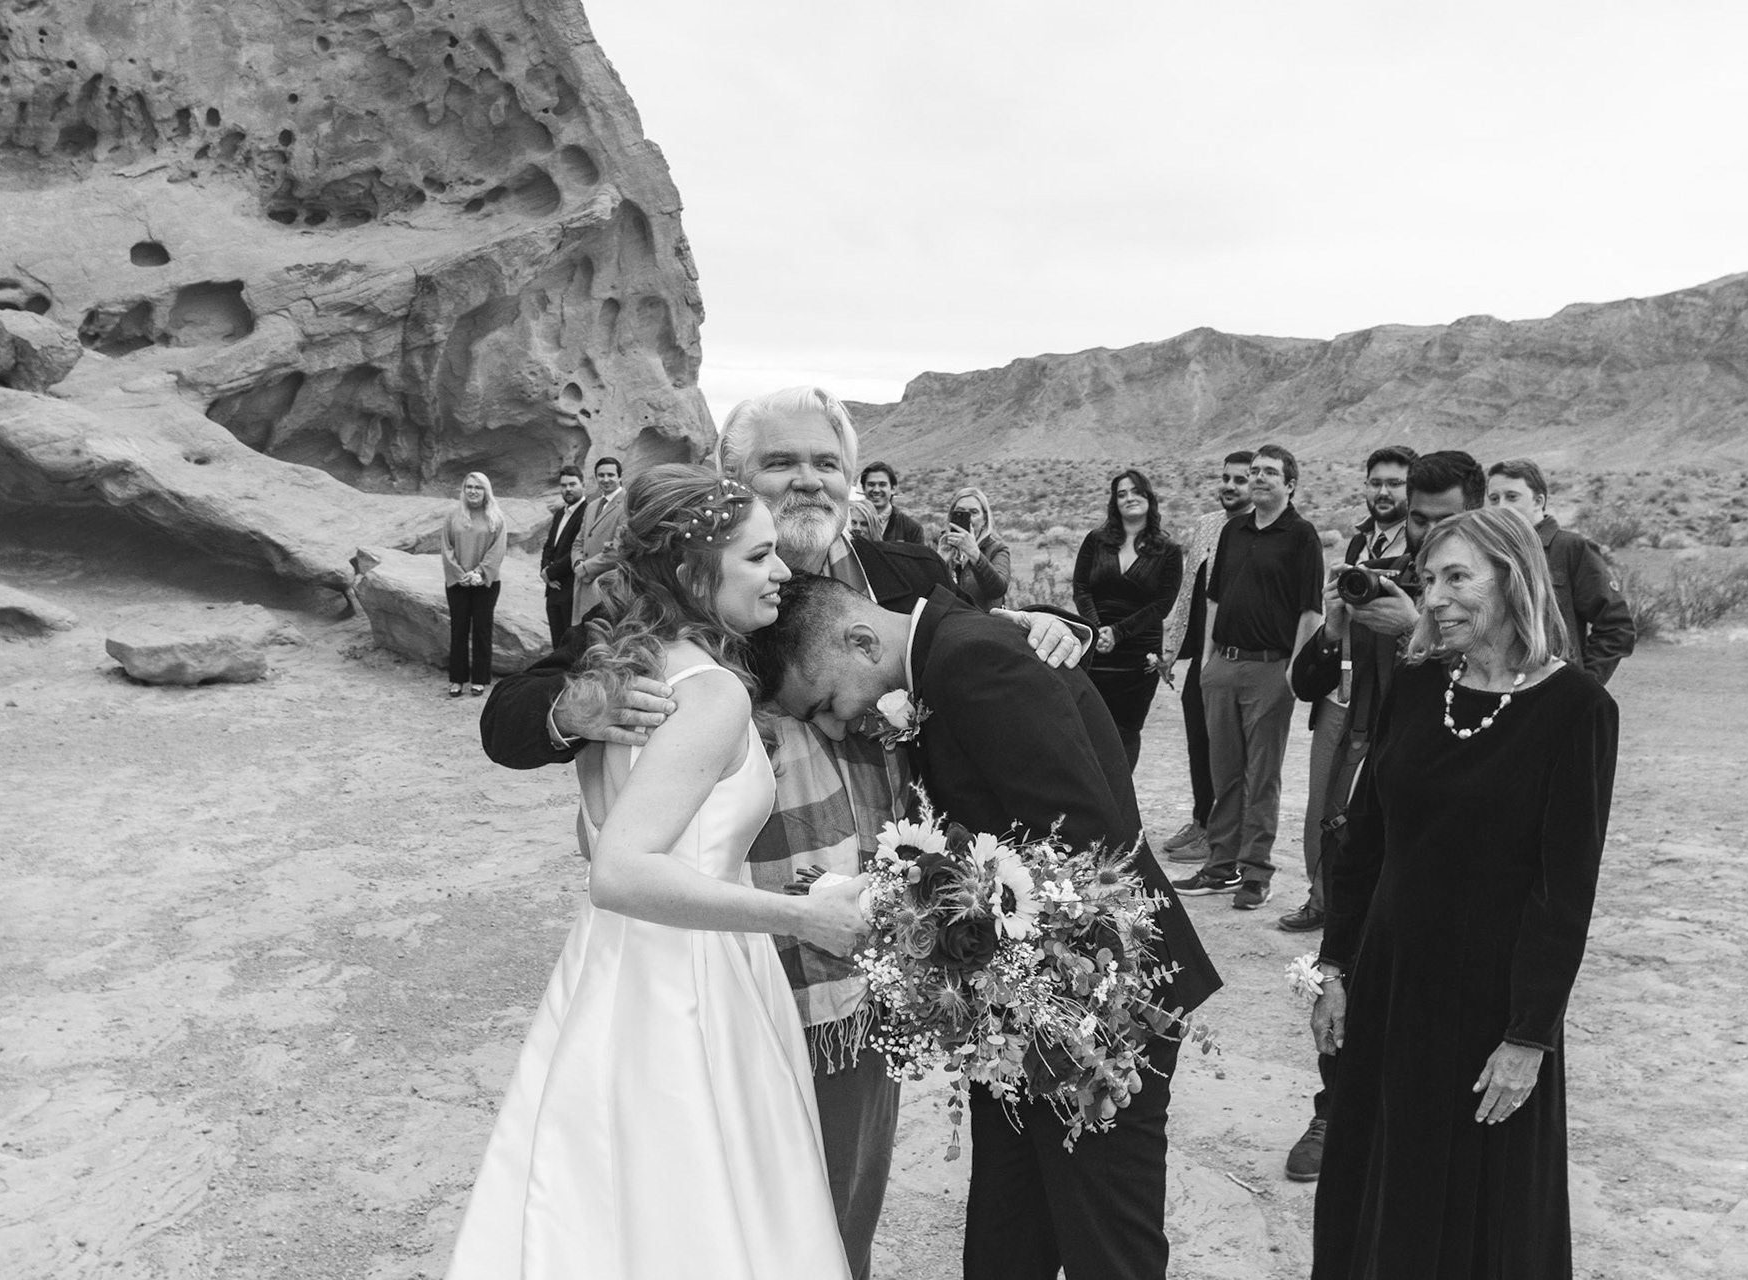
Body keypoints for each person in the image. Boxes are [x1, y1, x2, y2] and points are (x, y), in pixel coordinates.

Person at [477, 386, 1086, 1280]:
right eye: (781, 462)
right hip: (731, 946)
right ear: (734, 482)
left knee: (831, 1207)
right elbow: (510, 719)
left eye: (826, 462)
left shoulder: (902, 574)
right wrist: (574, 709)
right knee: (713, 1206)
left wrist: (1047, 627)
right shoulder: (690, 608)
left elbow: (972, 650)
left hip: (862, 961)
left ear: (852, 478)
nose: (809, 480)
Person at [445, 465, 865, 1279]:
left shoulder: (621, 669)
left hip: (613, 964)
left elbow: (594, 835)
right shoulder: (709, 692)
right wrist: (803, 916)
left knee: (610, 1205)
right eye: (758, 556)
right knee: (699, 1206)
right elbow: (618, 870)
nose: (781, 571)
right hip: (691, 979)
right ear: (693, 572)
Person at [754, 573, 1221, 1280]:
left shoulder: (970, 658)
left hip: (1095, 997)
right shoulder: (952, 650)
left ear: (861, 641)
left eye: (824, 704)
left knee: (1108, 1241)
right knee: (1010, 1223)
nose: (835, 725)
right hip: (1024, 1004)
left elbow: (1087, 843)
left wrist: (1088, 1025)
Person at [1309, 505, 1618, 1278]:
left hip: (1489, 1004)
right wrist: (1334, 968)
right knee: (1378, 1181)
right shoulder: (1418, 686)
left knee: (1478, 1207)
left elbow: (1564, 891)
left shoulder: (1577, 708)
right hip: (1389, 982)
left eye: (1456, 577)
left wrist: (1529, 1037)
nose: (1436, 598)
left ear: (1513, 580)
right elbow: (1364, 840)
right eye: (1428, 580)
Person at [1279, 447, 1482, 1183]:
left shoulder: (1474, 605)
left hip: (1446, 808)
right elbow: (1307, 683)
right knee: (1347, 946)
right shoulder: (1384, 583)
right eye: (1420, 522)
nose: (1430, 537)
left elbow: (1498, 690)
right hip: (1366, 786)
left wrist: (1414, 627)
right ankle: (1333, 1110)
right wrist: (1338, 626)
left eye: (1445, 520)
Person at [1175, 445, 1323, 911]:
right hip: (1223, 666)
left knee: (1262, 777)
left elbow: (1311, 611)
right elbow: (1214, 599)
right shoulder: (1233, 531)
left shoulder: (1301, 536)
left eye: (1269, 472)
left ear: (1290, 484)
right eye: (1254, 471)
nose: (1258, 478)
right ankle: (1221, 867)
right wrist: (1207, 663)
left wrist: (1293, 672)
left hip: (1270, 669)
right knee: (1224, 773)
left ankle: (1256, 873)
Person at [1284, 446, 1415, 936]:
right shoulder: (1358, 543)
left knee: (1369, 812)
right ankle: (1321, 899)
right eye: (1375, 482)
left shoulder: (1422, 551)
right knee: (1323, 805)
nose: (1383, 492)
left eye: (1395, 484)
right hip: (1339, 694)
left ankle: (1364, 911)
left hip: (1385, 699)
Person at [1158, 452, 1253, 860]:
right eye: (1226, 478)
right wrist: (1171, 648)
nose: (1230, 486)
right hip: (1203, 654)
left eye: (1241, 479)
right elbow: (1189, 592)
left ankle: (1222, 832)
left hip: (1238, 654)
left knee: (1228, 749)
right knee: (1199, 741)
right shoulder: (1206, 524)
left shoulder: (1261, 530)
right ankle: (1202, 820)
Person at [1071, 469, 1184, 770]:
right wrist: (1097, 630)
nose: (1129, 498)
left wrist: (1119, 632)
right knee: (1088, 725)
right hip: (1096, 650)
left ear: (1148, 497)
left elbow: (1163, 604)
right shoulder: (1096, 541)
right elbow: (1081, 588)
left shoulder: (1168, 550)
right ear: (1114, 502)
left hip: (1138, 655)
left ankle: (1120, 794)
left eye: (1135, 491)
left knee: (1127, 729)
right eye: (1121, 494)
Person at [1485, 459, 1635, 684]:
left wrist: (1584, 685)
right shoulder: (1487, 554)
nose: (1501, 507)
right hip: (1496, 688)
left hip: (1554, 692)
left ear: (1538, 501)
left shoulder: (1572, 549)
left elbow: (1616, 626)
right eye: (1494, 499)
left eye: (1512, 497)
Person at [441, 472, 508, 698]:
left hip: (486, 583)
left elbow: (498, 549)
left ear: (486, 491)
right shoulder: (453, 516)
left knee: (482, 630)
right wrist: (460, 574)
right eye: (469, 487)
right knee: (458, 629)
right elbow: (446, 548)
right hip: (457, 582)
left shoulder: (496, 517)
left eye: (478, 487)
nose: (473, 491)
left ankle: (479, 679)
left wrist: (480, 572)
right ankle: (457, 679)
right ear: (463, 490)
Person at [571, 456, 627, 625]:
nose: (605, 479)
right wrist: (578, 563)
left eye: (610, 475)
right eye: (601, 475)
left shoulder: (627, 505)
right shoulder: (592, 506)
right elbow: (578, 542)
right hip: (583, 584)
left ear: (620, 477)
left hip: (606, 588)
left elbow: (619, 550)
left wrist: (586, 568)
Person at [935, 486, 1011, 609]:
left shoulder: (997, 549)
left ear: (984, 519)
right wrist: (939, 561)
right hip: (949, 619)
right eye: (960, 512)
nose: (968, 518)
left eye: (974, 512)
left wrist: (975, 555)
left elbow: (998, 590)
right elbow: (923, 591)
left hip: (984, 619)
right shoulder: (940, 544)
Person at [539, 464, 588, 648]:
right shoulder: (560, 513)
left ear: (583, 485)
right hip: (553, 589)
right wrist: (545, 571)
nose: (568, 489)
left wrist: (550, 572)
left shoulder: (587, 512)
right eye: (564, 485)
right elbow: (549, 546)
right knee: (556, 645)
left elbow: (577, 549)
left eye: (573, 484)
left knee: (570, 647)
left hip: (571, 588)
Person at [859, 461, 926, 544]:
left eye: (882, 484)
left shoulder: (912, 529)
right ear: (863, 488)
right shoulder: (850, 524)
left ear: (893, 489)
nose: (876, 490)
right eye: (871, 484)